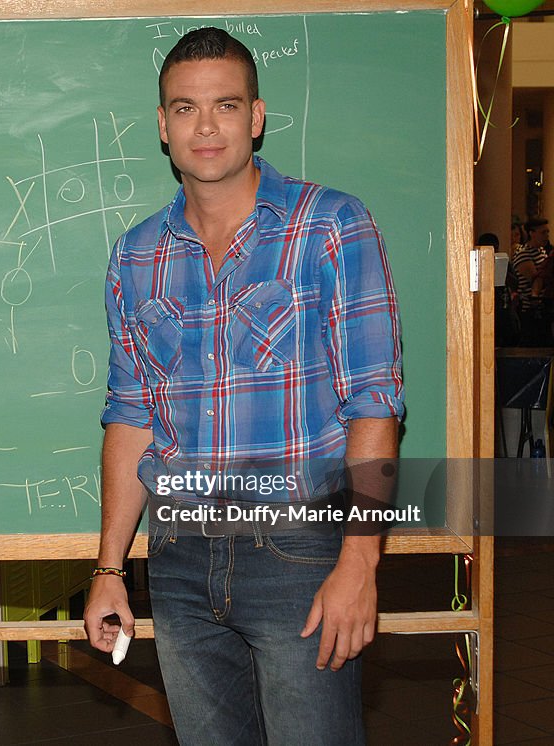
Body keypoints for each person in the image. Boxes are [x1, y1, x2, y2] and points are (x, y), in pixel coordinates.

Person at [83, 27, 403, 745]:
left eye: (225, 105)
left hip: (301, 552)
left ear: (256, 117)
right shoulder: (135, 256)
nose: (206, 126)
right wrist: (109, 567)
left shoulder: (331, 226)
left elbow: (374, 402)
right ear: (162, 125)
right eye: (185, 108)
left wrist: (361, 559)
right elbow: (131, 414)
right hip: (178, 557)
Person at [512, 218, 551, 346]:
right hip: (530, 309)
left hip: (543, 307)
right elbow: (535, 279)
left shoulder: (541, 252)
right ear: (531, 233)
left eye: (547, 232)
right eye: (543, 233)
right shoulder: (524, 254)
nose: (546, 236)